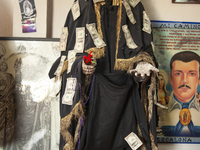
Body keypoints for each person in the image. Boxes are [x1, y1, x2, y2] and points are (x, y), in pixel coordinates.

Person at [49, 0, 159, 149]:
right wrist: (81, 65)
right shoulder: (83, 5)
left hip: (126, 97)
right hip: (93, 94)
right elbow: (70, 55)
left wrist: (142, 66)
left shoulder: (134, 6)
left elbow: (145, 52)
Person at [162, 51, 200, 136]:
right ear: (170, 78)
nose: (184, 80)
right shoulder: (159, 110)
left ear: (199, 80)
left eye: (192, 74)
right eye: (178, 74)